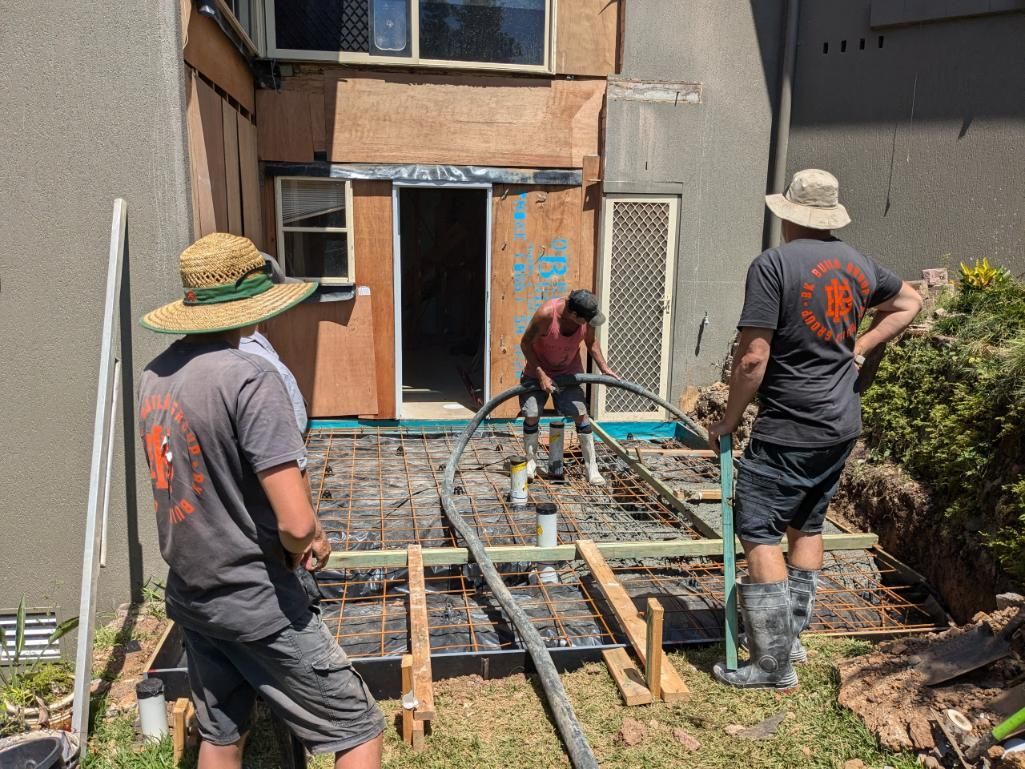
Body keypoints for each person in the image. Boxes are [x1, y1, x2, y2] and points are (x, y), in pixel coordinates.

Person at [138, 233, 385, 768]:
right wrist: (312, 535)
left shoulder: (154, 376)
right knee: (358, 729)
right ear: (250, 306)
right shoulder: (250, 378)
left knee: (221, 735)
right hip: (257, 601)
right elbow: (294, 523)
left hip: (192, 594)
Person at [706, 169, 922, 690]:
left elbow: (754, 358)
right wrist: (861, 347)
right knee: (808, 525)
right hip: (839, 425)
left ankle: (772, 665)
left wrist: (728, 421)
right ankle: (793, 641)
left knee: (758, 531)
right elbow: (910, 301)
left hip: (789, 427)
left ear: (788, 215)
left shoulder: (773, 265)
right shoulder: (858, 264)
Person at [519, 289, 618, 485]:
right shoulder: (546, 314)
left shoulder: (587, 317)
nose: (589, 322)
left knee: (581, 414)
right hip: (537, 370)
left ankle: (592, 469)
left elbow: (591, 343)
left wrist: (604, 368)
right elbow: (525, 344)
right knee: (531, 413)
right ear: (573, 315)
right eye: (584, 319)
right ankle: (530, 463)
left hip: (568, 372)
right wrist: (541, 375)